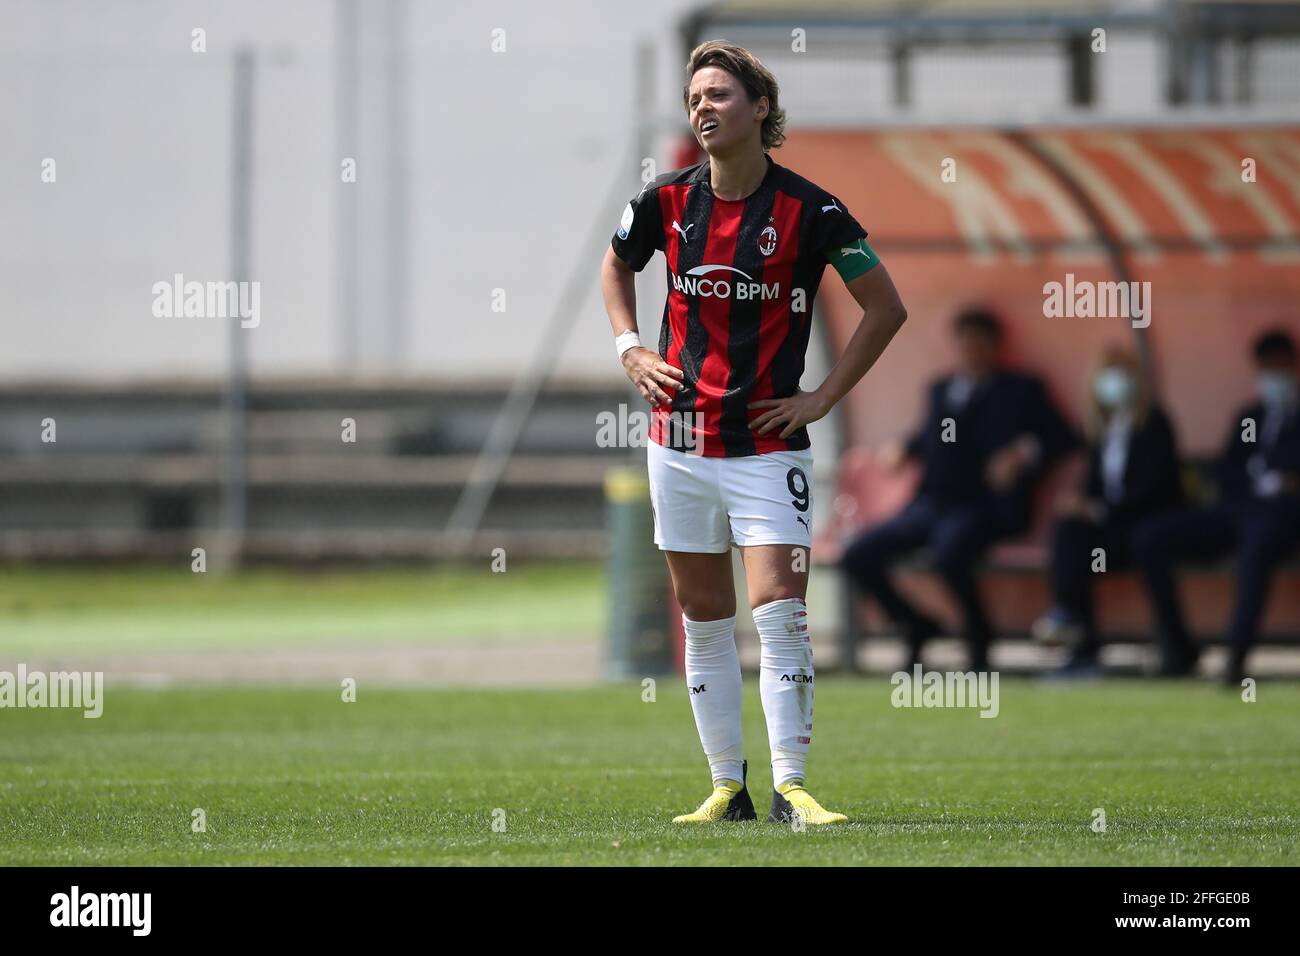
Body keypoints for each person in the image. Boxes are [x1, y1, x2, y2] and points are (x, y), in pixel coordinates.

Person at [599, 41, 908, 825]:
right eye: (694, 97)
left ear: (761, 108)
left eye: (720, 95)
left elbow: (886, 307)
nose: (703, 107)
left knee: (779, 611)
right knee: (704, 619)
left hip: (768, 449)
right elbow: (617, 267)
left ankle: (793, 786)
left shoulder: (814, 211)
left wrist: (823, 398)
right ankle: (727, 788)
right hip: (680, 446)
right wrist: (630, 348)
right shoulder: (664, 201)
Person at [839, 308, 1077, 672]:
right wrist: (904, 448)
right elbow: (933, 435)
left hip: (987, 506)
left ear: (996, 347)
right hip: (932, 503)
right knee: (858, 553)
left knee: (948, 551)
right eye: (966, 344)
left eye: (980, 344)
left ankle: (979, 637)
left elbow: (1063, 438)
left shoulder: (1022, 389)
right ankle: (915, 624)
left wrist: (1022, 453)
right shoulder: (941, 388)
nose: (972, 352)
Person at [1131, 329, 1300, 683]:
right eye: (1266, 368)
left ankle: (1236, 657)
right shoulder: (1250, 416)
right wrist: (1257, 478)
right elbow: (1228, 470)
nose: (1273, 377)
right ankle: (1178, 647)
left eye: (1279, 368)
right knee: (1150, 537)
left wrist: (1281, 480)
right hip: (1235, 510)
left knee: (1255, 549)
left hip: (1282, 516)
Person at [1032, 345, 1184, 677]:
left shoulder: (1154, 423)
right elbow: (1095, 485)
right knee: (1069, 531)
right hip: (1112, 534)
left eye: (1121, 370)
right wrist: (1080, 504)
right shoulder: (1101, 431)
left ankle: (1177, 648)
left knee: (1146, 541)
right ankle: (1076, 633)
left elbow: (1154, 489)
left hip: (1149, 525)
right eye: (1107, 371)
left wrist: (1099, 509)